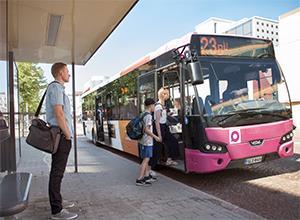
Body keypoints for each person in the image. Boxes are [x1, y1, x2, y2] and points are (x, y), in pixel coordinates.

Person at [46, 62, 78, 220]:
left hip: (61, 135)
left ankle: (57, 201)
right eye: (67, 71)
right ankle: (57, 210)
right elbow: (59, 114)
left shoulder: (58, 88)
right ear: (60, 72)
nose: (69, 74)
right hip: (60, 136)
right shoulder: (56, 88)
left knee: (57, 172)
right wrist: (67, 135)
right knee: (57, 173)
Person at [136, 98, 161, 186]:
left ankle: (146, 176)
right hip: (147, 141)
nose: (154, 107)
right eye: (154, 105)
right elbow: (146, 129)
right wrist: (156, 137)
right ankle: (140, 179)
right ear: (151, 106)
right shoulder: (149, 116)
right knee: (146, 159)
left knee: (145, 159)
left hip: (142, 140)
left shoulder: (143, 114)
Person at [152, 88, 179, 167]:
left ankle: (168, 159)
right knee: (159, 146)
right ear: (163, 95)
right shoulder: (158, 107)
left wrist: (168, 114)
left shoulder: (162, 105)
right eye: (167, 93)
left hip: (164, 126)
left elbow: (163, 117)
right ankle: (154, 165)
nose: (169, 95)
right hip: (159, 127)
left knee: (172, 141)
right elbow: (157, 122)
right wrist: (159, 135)